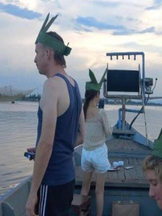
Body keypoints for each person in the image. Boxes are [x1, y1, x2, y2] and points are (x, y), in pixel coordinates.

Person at [25, 13, 86, 216]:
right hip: (68, 177)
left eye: (37, 53)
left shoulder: (51, 86)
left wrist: (33, 193)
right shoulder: (74, 85)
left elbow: (47, 144)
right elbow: (81, 135)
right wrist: (56, 148)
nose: (34, 59)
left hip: (50, 181)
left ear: (48, 53)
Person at [79, 69, 111, 216]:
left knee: (84, 189)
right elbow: (109, 132)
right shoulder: (101, 113)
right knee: (99, 191)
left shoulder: (82, 111)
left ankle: (82, 213)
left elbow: (80, 131)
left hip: (85, 153)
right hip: (99, 153)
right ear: (97, 95)